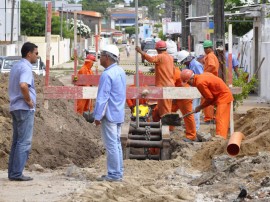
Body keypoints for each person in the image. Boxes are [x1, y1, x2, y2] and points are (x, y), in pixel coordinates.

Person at [94, 44, 126, 182]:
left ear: (107, 57)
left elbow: (103, 98)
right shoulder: (120, 71)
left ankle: (114, 174)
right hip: (118, 113)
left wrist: (97, 116)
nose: (99, 58)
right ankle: (118, 172)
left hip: (109, 114)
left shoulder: (107, 75)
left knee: (111, 144)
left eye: (101, 55)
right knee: (116, 143)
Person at [8, 42, 39, 181]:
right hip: (23, 108)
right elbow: (23, 85)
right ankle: (16, 173)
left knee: (16, 141)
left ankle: (13, 172)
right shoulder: (26, 68)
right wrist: (29, 101)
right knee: (24, 142)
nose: (37, 56)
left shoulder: (16, 66)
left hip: (15, 107)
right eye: (36, 53)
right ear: (29, 54)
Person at [181, 69, 234, 139]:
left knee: (220, 119)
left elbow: (209, 98)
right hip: (222, 96)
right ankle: (221, 138)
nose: (189, 84)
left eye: (188, 82)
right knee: (220, 119)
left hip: (224, 97)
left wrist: (200, 107)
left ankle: (220, 139)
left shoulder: (200, 83)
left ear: (191, 79)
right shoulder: (202, 76)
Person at [135, 40, 175, 120]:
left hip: (164, 86)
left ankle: (166, 127)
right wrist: (157, 69)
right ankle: (164, 125)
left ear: (157, 49)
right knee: (163, 107)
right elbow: (169, 69)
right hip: (168, 84)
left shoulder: (160, 56)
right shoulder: (170, 57)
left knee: (165, 109)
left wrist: (140, 52)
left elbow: (151, 59)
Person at [176, 50, 204, 132]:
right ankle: (193, 127)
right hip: (192, 90)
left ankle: (196, 129)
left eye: (183, 62)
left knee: (195, 110)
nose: (183, 64)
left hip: (197, 90)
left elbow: (201, 79)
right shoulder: (189, 65)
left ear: (186, 59)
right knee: (192, 110)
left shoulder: (196, 65)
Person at [172, 67, 197, 142]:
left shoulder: (174, 72)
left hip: (184, 95)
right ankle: (170, 128)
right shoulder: (172, 70)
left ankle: (191, 136)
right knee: (170, 111)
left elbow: (171, 85)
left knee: (188, 115)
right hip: (178, 95)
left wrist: (173, 96)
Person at [202, 40, 220, 123]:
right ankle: (210, 117)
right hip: (212, 79)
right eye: (204, 48)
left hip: (209, 80)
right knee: (209, 99)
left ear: (209, 48)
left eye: (206, 48)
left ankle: (208, 118)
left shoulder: (210, 56)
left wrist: (205, 75)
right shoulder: (212, 56)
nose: (205, 50)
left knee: (207, 99)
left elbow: (212, 66)